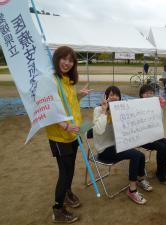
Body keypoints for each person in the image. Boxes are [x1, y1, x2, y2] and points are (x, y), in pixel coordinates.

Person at [46, 46, 92, 223]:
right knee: (64, 172)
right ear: (57, 59)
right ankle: (58, 210)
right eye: (63, 59)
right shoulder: (51, 81)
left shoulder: (66, 80)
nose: (67, 63)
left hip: (74, 132)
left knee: (70, 168)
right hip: (60, 135)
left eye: (71, 60)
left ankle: (67, 193)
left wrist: (79, 96)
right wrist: (65, 126)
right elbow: (48, 109)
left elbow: (69, 104)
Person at [93, 86, 153, 205]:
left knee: (140, 155)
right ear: (106, 97)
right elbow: (98, 130)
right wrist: (105, 111)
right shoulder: (98, 110)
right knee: (135, 155)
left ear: (120, 98)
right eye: (111, 95)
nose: (114, 97)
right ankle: (132, 190)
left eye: (116, 95)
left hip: (117, 146)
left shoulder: (120, 111)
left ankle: (140, 179)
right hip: (104, 150)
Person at [139, 84, 166, 184]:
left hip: (155, 134)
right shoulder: (136, 106)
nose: (149, 95)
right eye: (146, 93)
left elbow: (159, 121)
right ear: (141, 95)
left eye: (151, 93)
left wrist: (159, 108)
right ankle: (160, 172)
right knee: (162, 148)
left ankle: (163, 167)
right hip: (142, 138)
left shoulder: (155, 105)